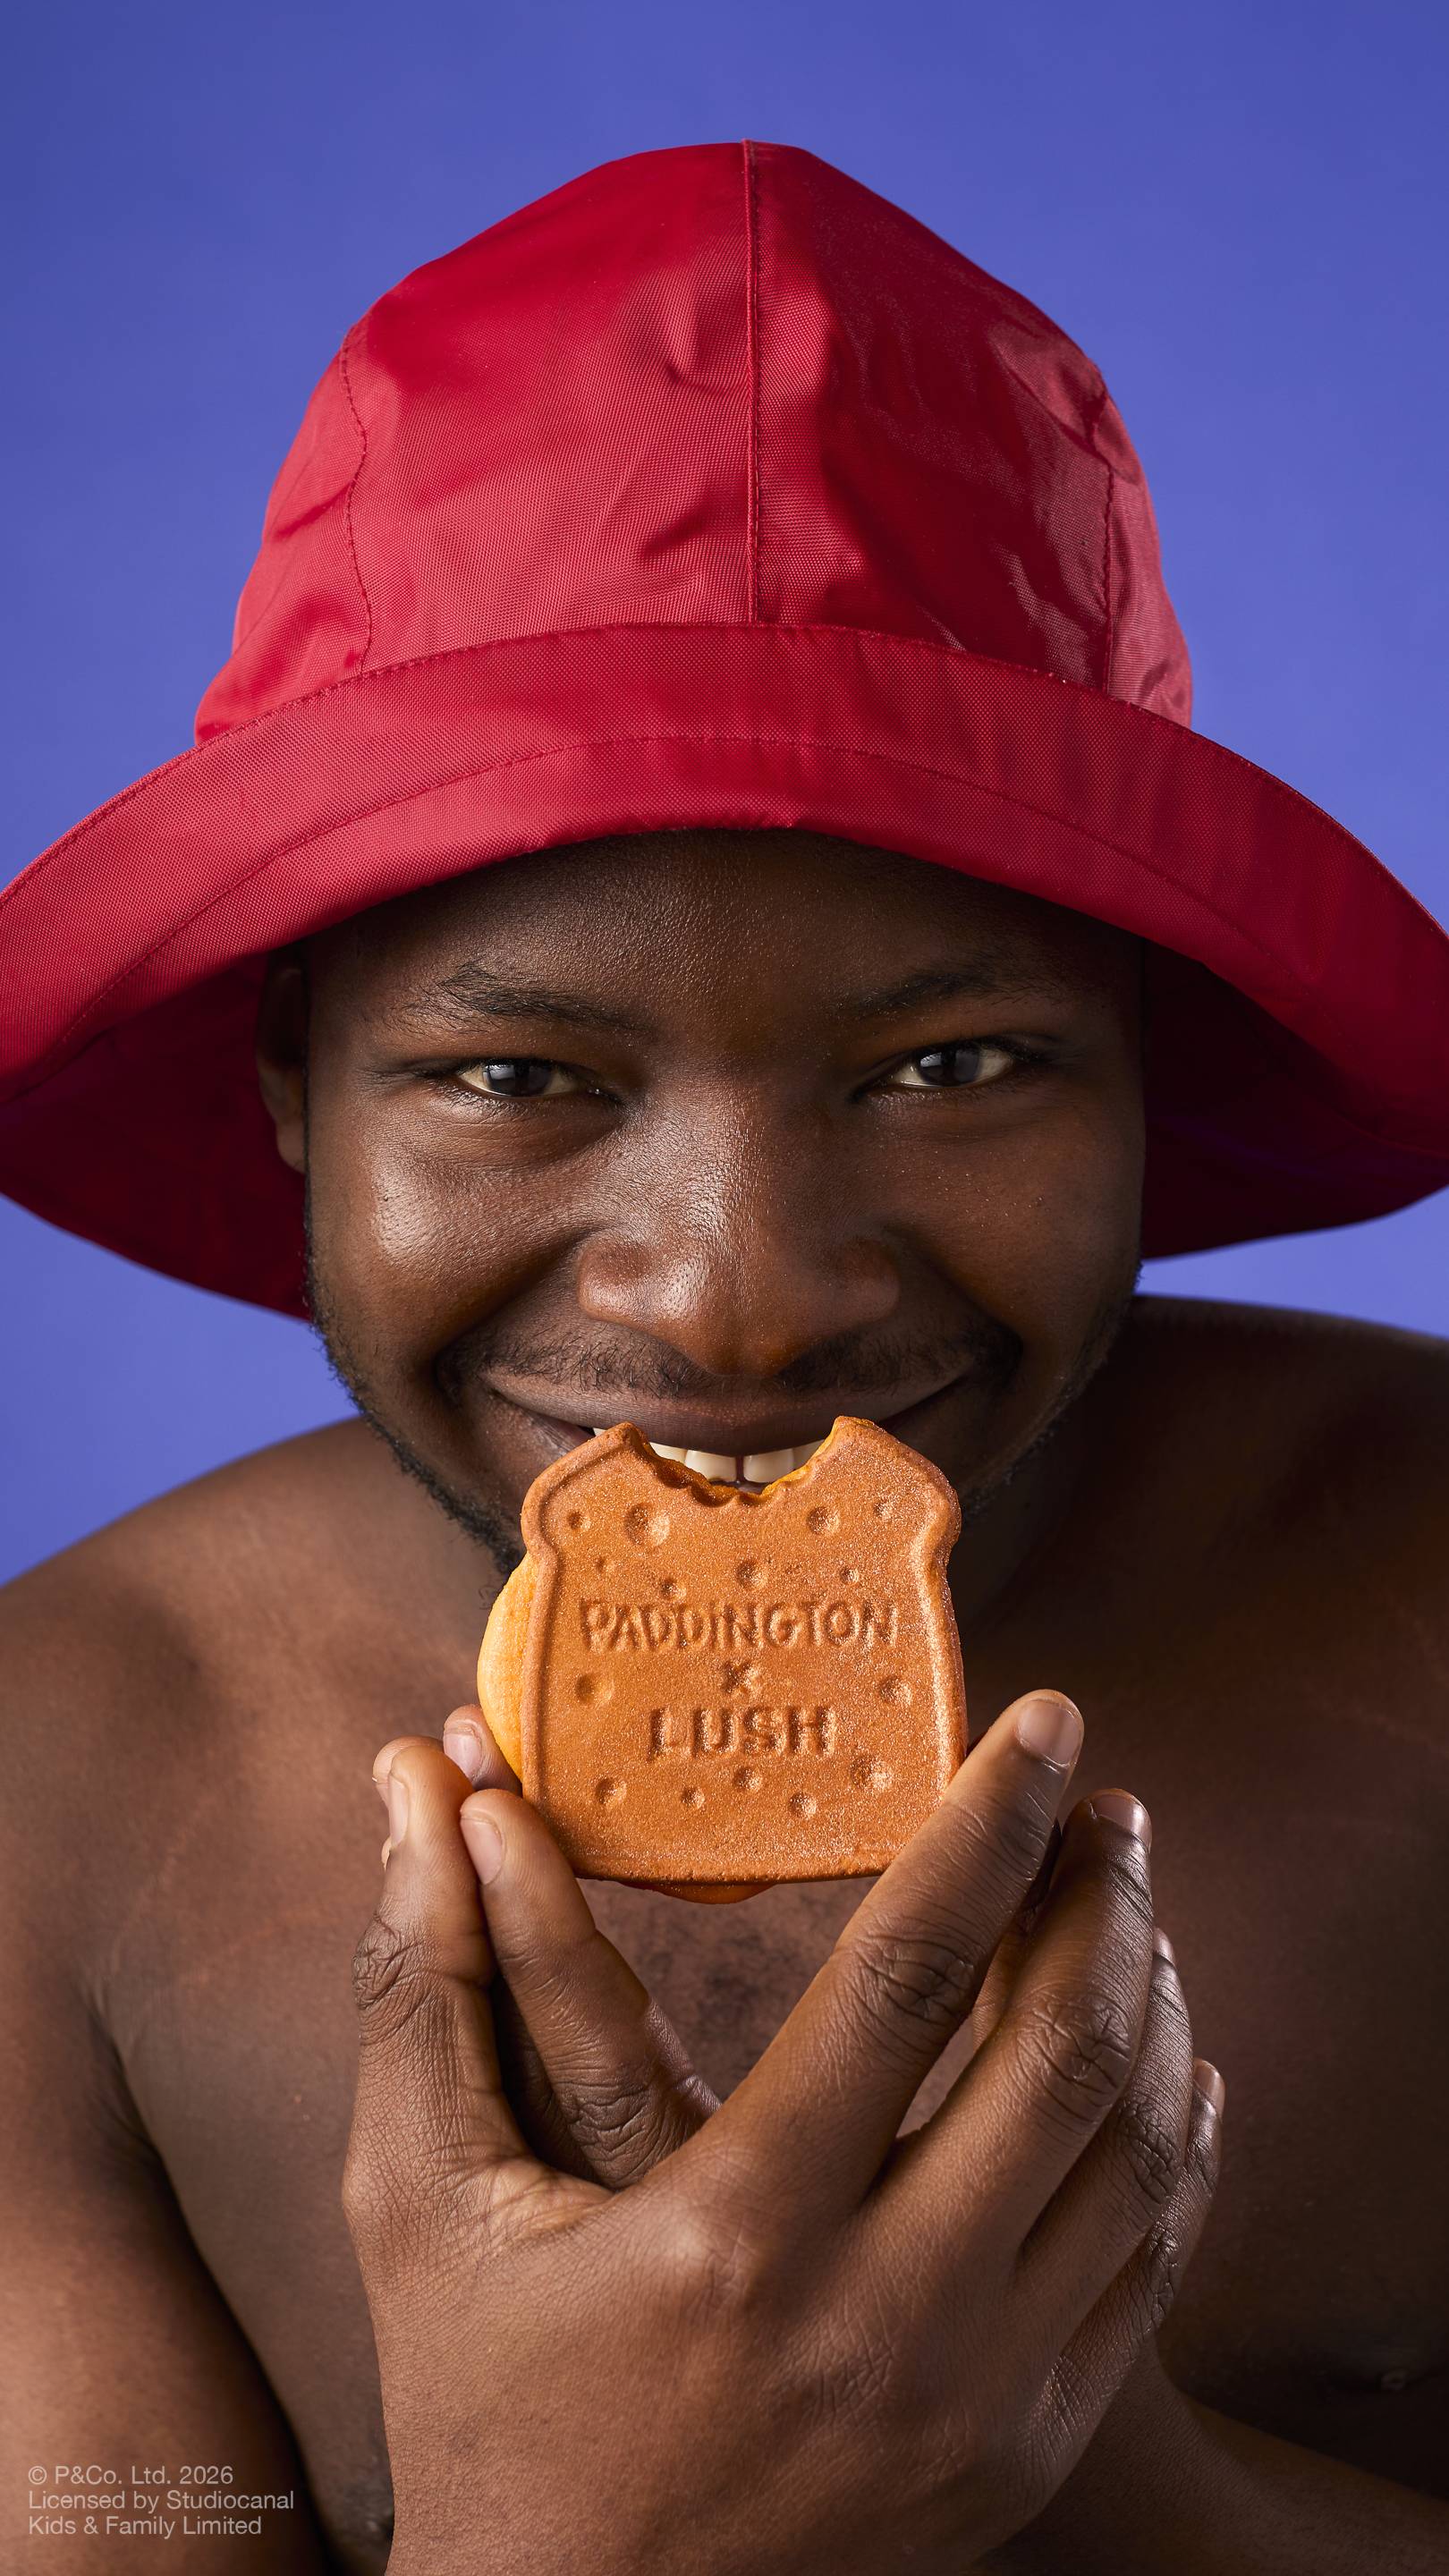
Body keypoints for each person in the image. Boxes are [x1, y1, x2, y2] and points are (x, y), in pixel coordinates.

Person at [2, 141, 1446, 2575]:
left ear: (1138, 1071)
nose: (735, 1300)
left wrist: (1060, 2453)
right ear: (286, 1086)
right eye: (519, 1077)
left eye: (953, 1067)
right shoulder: (55, 1774)